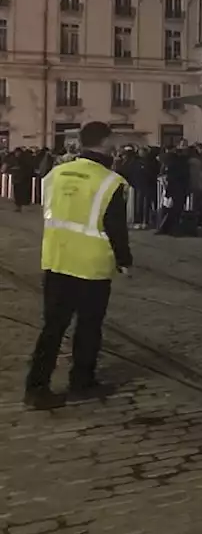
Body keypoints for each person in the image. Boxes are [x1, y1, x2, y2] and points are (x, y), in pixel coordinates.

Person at [24, 121, 132, 409]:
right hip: (91, 265)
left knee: (52, 328)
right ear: (106, 142)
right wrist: (125, 261)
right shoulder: (111, 182)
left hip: (56, 259)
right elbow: (116, 228)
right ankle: (81, 381)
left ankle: (36, 387)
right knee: (88, 326)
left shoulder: (55, 174)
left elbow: (50, 211)